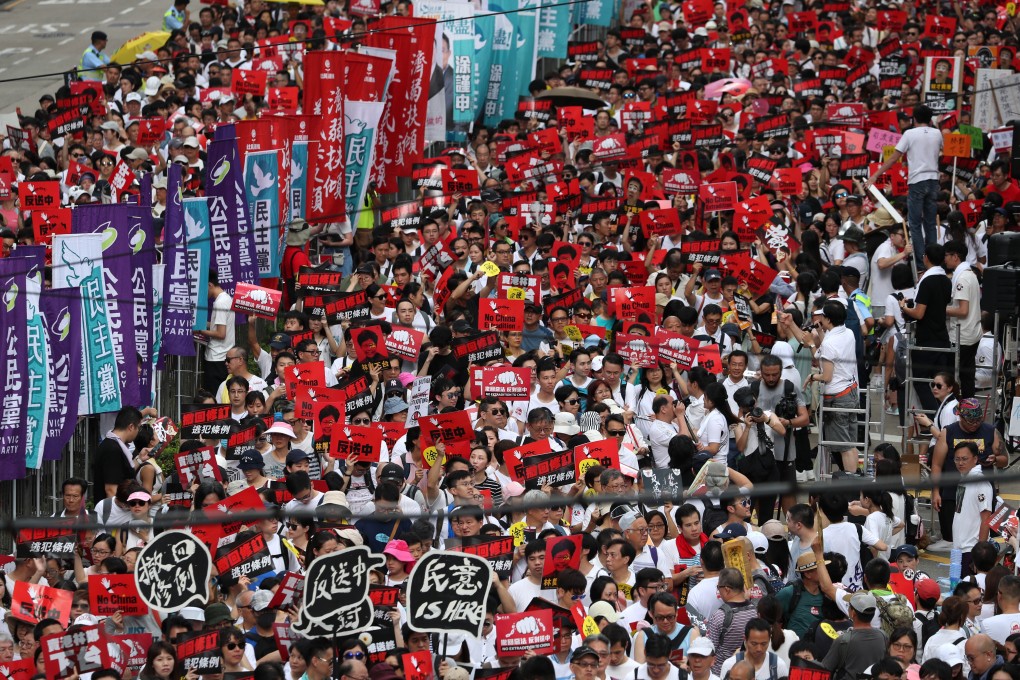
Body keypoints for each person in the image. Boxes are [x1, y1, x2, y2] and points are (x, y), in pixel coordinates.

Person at [866, 105, 943, 269]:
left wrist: (875, 175)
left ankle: (922, 263)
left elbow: (894, 158)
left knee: (914, 224)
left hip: (917, 181)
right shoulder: (937, 133)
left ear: (914, 119)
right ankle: (933, 260)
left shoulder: (909, 134)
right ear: (930, 119)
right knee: (930, 223)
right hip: (933, 180)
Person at [718, 618, 790, 680]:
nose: (759, 649)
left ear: (769, 640)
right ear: (745, 640)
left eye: (763, 644)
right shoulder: (729, 665)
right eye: (754, 644)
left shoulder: (779, 666)